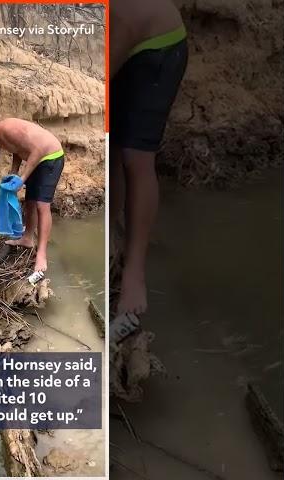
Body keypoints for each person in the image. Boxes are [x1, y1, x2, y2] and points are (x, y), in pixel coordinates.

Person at [110, 0, 188, 315]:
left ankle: (134, 274)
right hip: (126, 40)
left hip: (160, 47)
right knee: (113, 141)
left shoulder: (114, 15)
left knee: (135, 156)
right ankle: (112, 237)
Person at [0, 118, 64, 274]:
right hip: (38, 159)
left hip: (51, 157)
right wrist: (14, 171)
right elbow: (17, 149)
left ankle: (42, 254)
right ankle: (27, 238)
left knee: (42, 205)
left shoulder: (8, 129)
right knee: (30, 202)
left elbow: (37, 150)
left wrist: (22, 179)